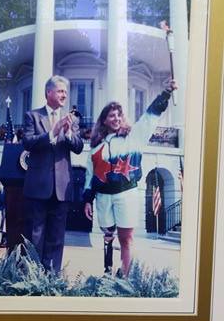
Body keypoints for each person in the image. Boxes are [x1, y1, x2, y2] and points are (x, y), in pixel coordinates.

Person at [84, 80, 178, 279]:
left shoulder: (133, 138)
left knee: (126, 239)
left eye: (119, 115)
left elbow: (148, 117)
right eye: (111, 115)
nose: (116, 118)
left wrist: (166, 93)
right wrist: (87, 200)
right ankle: (108, 274)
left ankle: (126, 278)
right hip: (103, 198)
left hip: (126, 194)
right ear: (104, 120)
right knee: (108, 237)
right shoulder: (95, 148)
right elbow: (89, 176)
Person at [23, 75, 84, 274]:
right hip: (38, 186)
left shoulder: (71, 119)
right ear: (48, 92)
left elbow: (78, 147)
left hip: (62, 187)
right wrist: (52, 132)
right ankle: (32, 275)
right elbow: (28, 143)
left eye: (65, 92)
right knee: (36, 234)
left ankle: (52, 277)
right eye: (60, 91)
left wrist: (66, 133)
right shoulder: (32, 116)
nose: (64, 95)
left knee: (57, 236)